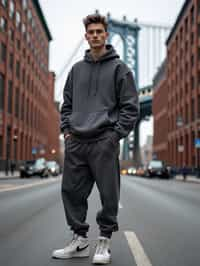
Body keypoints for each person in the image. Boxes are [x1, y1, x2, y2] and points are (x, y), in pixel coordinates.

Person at [52, 13, 139, 264]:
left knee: (108, 194)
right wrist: (67, 132)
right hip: (76, 140)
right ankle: (79, 240)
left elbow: (130, 107)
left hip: (104, 140)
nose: (95, 35)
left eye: (100, 31)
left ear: (106, 35)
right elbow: (66, 105)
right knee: (71, 191)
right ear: (86, 36)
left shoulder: (121, 69)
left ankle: (104, 241)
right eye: (91, 32)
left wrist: (115, 135)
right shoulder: (76, 70)